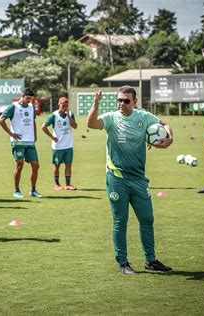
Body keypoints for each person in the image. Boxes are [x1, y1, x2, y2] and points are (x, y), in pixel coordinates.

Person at [87, 86, 173, 275]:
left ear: (134, 102)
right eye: (119, 100)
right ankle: (123, 263)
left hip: (139, 179)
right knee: (120, 221)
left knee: (147, 219)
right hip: (117, 178)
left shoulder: (143, 117)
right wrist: (96, 103)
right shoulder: (111, 118)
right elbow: (91, 124)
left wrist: (169, 138)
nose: (121, 104)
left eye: (126, 101)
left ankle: (150, 260)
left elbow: (164, 124)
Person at [0, 87, 42, 198]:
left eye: (31, 99)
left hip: (30, 141)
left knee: (36, 165)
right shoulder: (14, 107)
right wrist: (11, 134)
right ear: (22, 96)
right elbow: (1, 120)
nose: (29, 101)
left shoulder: (31, 107)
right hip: (18, 142)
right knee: (20, 164)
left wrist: (35, 135)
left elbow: (33, 122)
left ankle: (33, 190)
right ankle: (16, 190)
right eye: (27, 98)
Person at [41, 97, 78, 190]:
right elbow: (43, 127)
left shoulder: (70, 114)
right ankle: (57, 184)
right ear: (59, 104)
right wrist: (52, 137)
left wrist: (69, 117)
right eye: (63, 105)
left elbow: (75, 126)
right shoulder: (53, 116)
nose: (65, 107)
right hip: (58, 146)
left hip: (68, 145)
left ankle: (68, 184)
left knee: (68, 165)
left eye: (66, 106)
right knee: (57, 166)